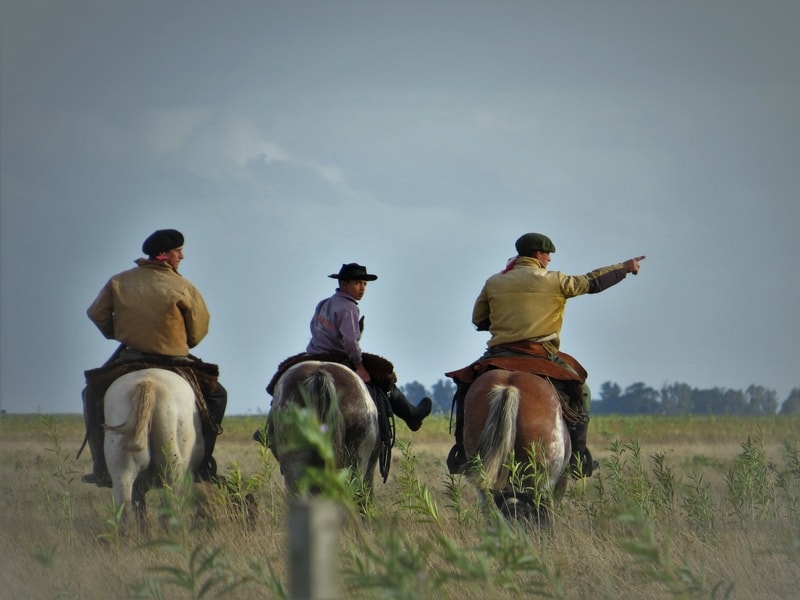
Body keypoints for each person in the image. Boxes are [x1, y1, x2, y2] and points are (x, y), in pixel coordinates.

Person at [447, 232, 645, 477]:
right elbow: (592, 282)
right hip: (540, 356)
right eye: (548, 254)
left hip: (498, 354)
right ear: (539, 255)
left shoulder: (494, 282)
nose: (550, 259)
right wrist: (624, 268)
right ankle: (578, 457)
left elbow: (478, 319)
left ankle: (461, 452)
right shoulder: (555, 280)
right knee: (582, 392)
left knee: (465, 389)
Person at [82, 229, 227, 486]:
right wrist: (182, 340)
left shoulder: (118, 281)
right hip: (175, 360)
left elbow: (97, 314)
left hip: (130, 356)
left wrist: (118, 332)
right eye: (177, 251)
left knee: (91, 394)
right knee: (217, 395)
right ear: (163, 255)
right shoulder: (183, 286)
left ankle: (101, 466)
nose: (181, 255)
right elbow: (199, 328)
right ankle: (203, 465)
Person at [255, 262, 431, 441]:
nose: (362, 288)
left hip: (313, 354)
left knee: (284, 373)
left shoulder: (324, 304)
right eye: (357, 283)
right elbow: (350, 341)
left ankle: (269, 429)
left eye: (364, 284)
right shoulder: (349, 308)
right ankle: (412, 415)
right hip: (338, 355)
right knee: (384, 369)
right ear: (343, 284)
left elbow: (313, 328)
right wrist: (359, 366)